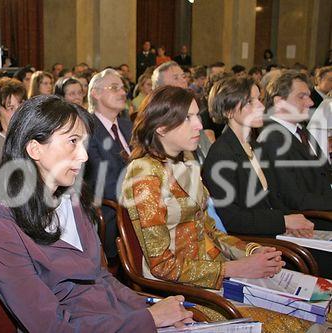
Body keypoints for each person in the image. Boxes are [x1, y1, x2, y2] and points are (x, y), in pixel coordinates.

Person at [0, 95, 193, 332]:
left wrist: (152, 308)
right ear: (35, 149)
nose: (84, 155)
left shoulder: (72, 200)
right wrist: (148, 319)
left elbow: (102, 279)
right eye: (72, 141)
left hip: (116, 321)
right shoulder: (3, 229)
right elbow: (52, 327)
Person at [121, 86, 316, 332]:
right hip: (187, 292)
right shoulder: (144, 175)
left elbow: (210, 230)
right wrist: (234, 268)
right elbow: (162, 266)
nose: (199, 126)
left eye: (196, 116)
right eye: (188, 118)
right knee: (298, 322)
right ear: (161, 127)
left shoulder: (187, 161)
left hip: (214, 274)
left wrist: (250, 251)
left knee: (311, 305)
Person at [202, 76, 314, 238]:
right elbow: (231, 219)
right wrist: (283, 222)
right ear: (229, 111)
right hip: (252, 243)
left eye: (259, 99)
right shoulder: (221, 155)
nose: (261, 106)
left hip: (270, 232)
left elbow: (270, 197)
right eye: (250, 102)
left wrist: (289, 221)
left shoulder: (253, 145)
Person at [258, 70, 332, 217]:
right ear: (279, 102)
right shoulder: (273, 138)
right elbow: (294, 198)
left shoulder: (300, 129)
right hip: (310, 220)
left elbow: (325, 172)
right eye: (301, 97)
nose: (310, 102)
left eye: (309, 96)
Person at [84, 68, 132, 263]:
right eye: (114, 88)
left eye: (123, 88)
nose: (122, 92)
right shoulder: (88, 129)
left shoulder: (128, 126)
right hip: (111, 212)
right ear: (95, 93)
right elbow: (101, 182)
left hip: (137, 206)